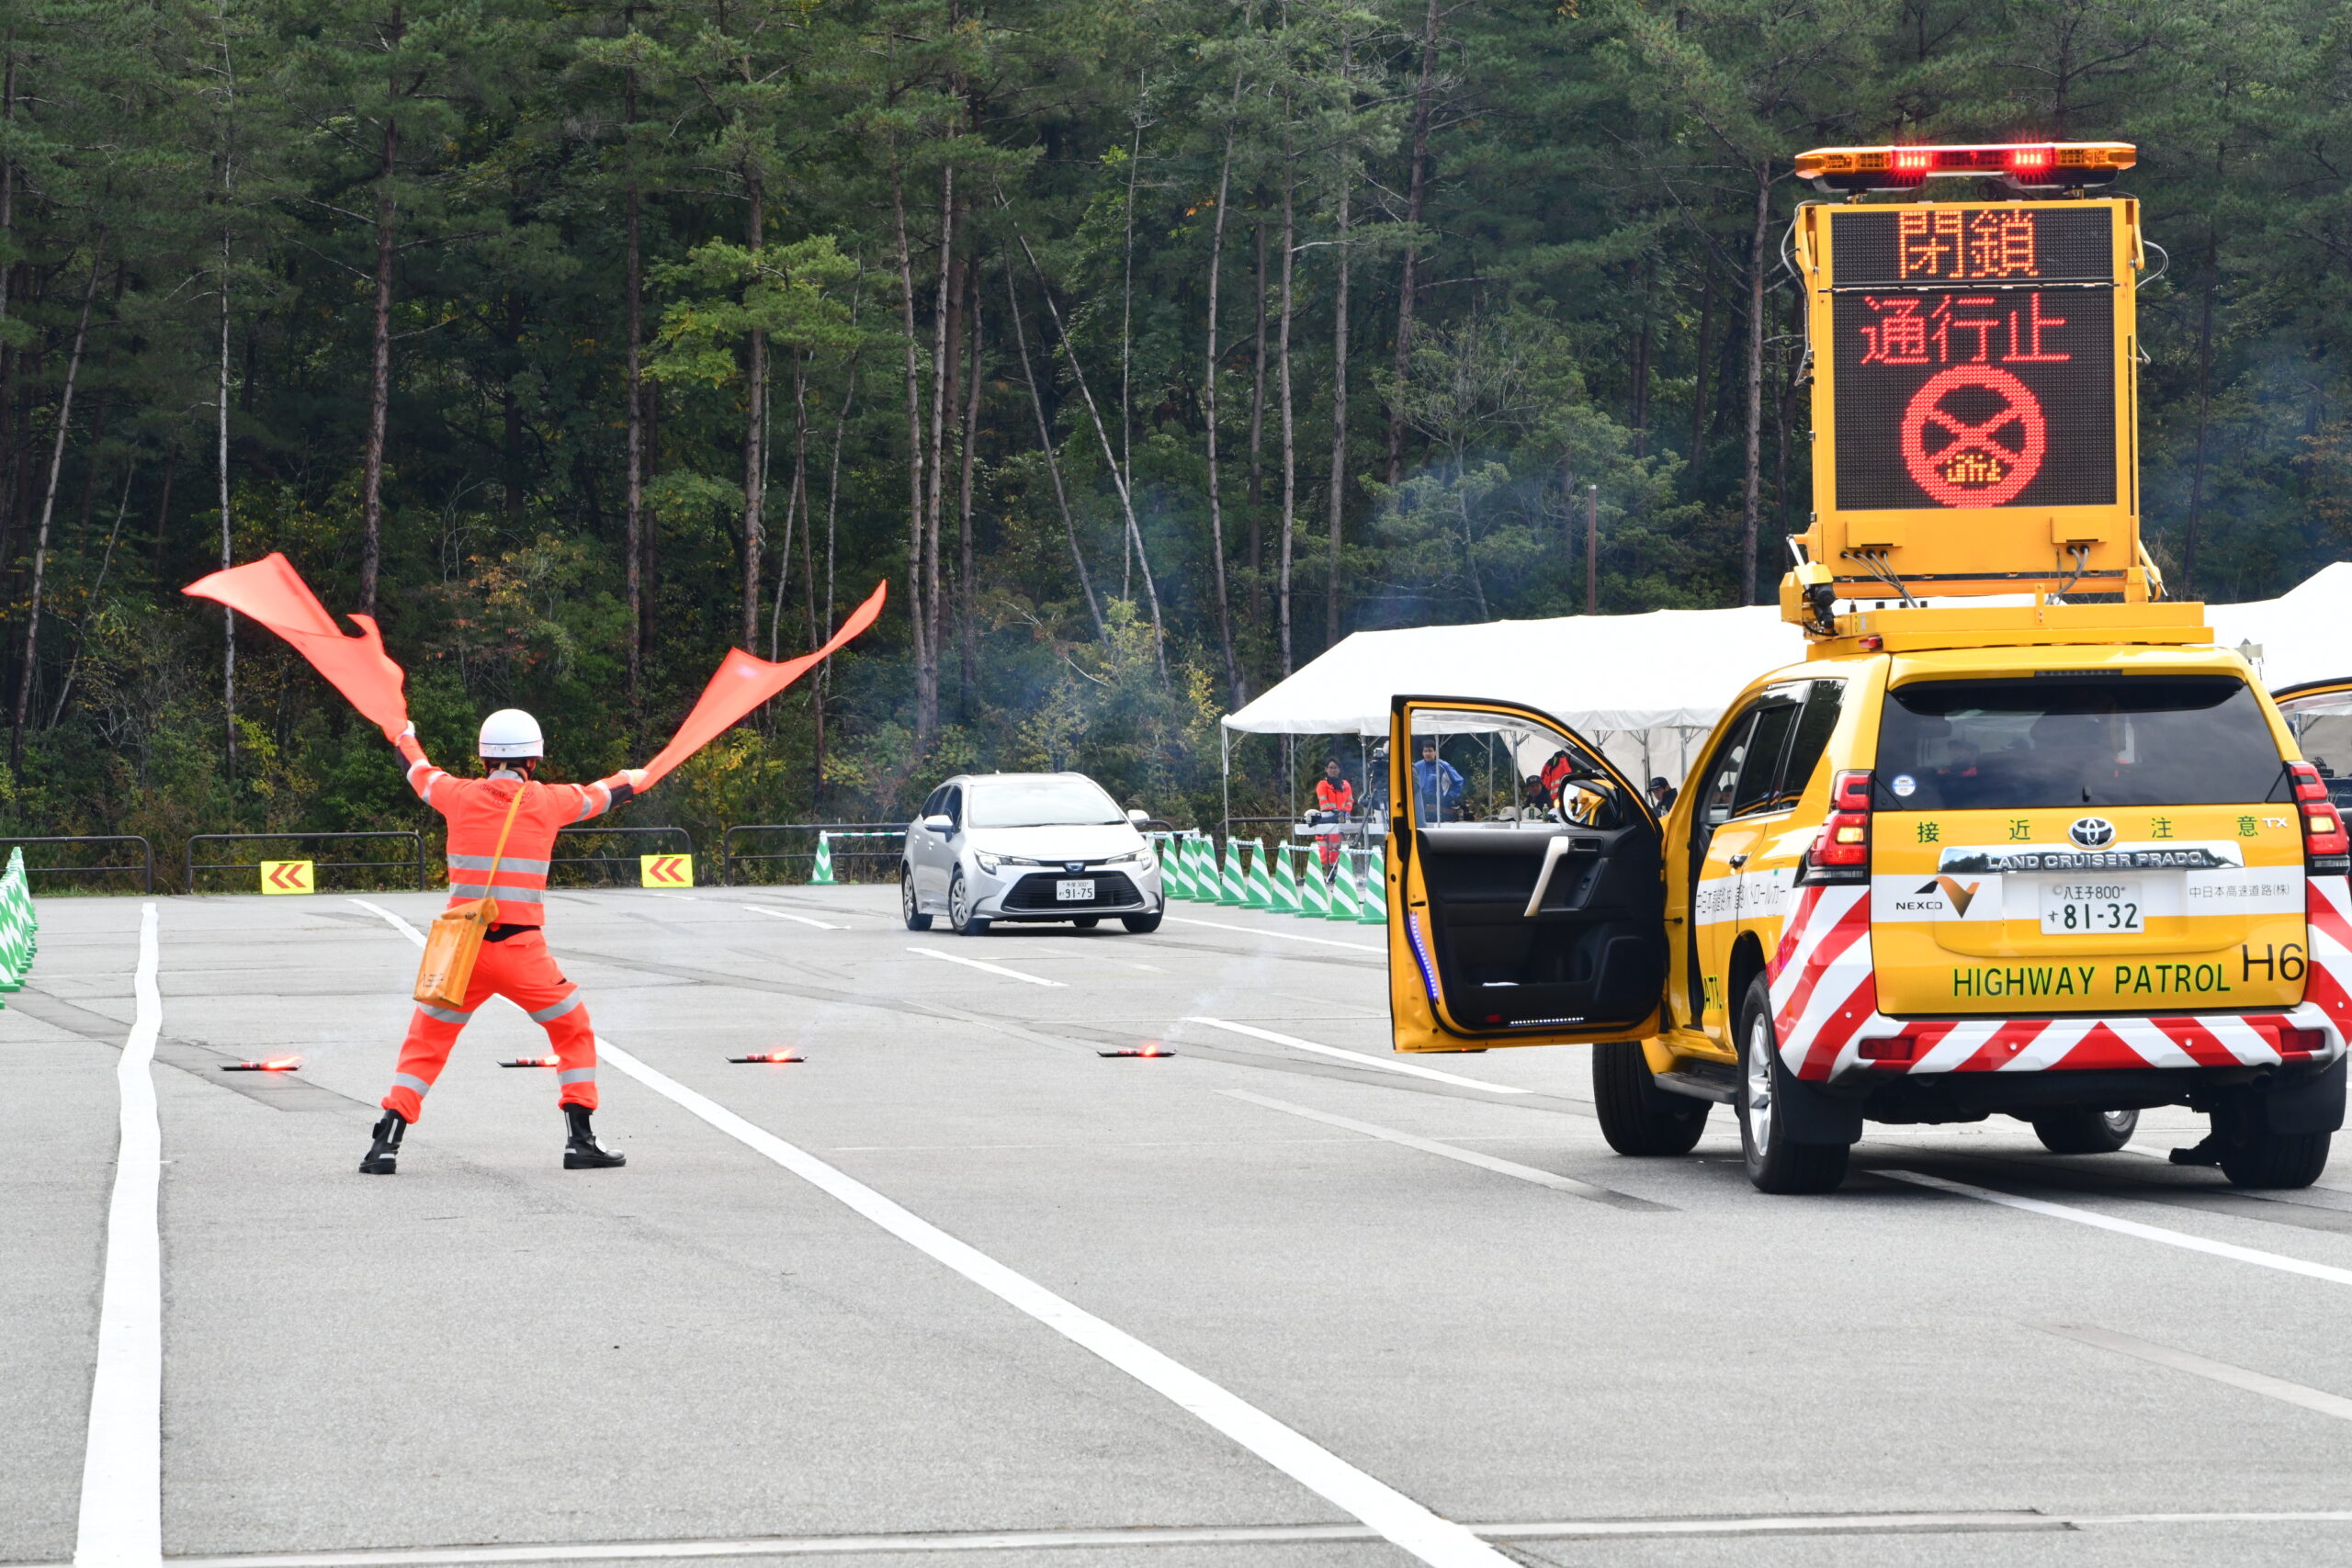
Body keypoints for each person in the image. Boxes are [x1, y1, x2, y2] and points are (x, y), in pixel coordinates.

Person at [361, 709, 648, 1176]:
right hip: (523, 951)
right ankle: (581, 1140)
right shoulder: (552, 801)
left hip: (462, 951)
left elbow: (416, 769)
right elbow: (605, 793)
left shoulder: (456, 794)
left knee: (426, 1042)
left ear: (485, 756)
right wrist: (635, 777)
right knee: (572, 1030)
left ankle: (386, 1143)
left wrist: (404, 733)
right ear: (533, 759)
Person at [1311, 758, 1354, 879]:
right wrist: (1335, 812)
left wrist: (1345, 811)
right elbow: (1323, 802)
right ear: (1326, 769)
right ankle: (1322, 872)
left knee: (1338, 848)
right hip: (1327, 820)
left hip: (1342, 820)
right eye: (1330, 767)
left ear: (1339, 769)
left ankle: (1336, 872)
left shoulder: (1345, 785)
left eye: (1335, 767)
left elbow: (1350, 800)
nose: (1333, 770)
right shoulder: (1322, 785)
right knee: (1323, 850)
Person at [1413, 739, 1465, 822]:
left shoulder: (1443, 766)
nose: (1427, 754)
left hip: (1440, 802)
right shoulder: (1417, 766)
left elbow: (1459, 781)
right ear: (1422, 753)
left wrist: (1450, 796)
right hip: (1422, 801)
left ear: (1435, 752)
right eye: (1425, 751)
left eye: (1430, 751)